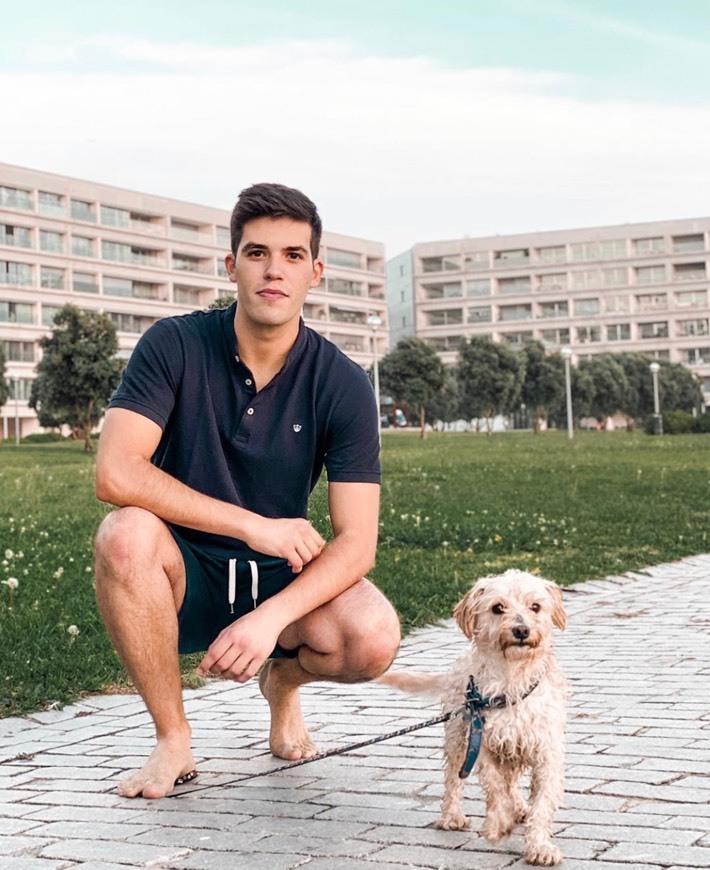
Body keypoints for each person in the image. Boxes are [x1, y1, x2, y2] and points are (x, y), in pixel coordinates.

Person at [93, 182, 401, 800]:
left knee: (372, 638)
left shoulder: (341, 383)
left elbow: (358, 543)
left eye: (292, 256)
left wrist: (271, 620)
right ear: (231, 265)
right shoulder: (173, 344)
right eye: (257, 253)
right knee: (123, 534)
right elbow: (116, 473)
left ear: (314, 272)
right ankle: (172, 738)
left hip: (277, 575)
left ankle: (282, 683)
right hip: (183, 565)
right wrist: (251, 524)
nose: (273, 271)